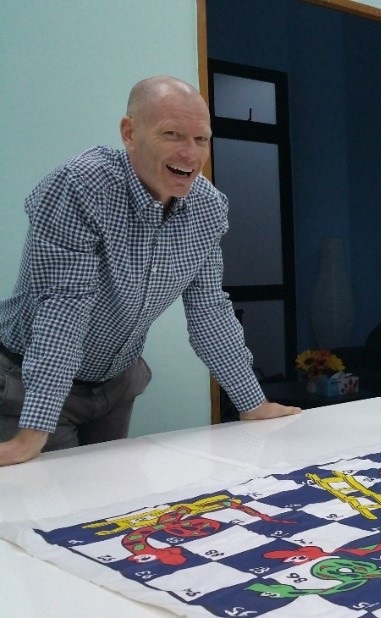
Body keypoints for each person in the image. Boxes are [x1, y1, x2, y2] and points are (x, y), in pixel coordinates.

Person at [0, 76, 300, 467]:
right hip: (28, 382)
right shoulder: (80, 186)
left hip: (117, 385)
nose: (189, 154)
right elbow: (64, 310)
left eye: (201, 139)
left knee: (106, 507)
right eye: (172, 134)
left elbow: (210, 309)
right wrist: (32, 432)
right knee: (44, 512)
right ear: (129, 133)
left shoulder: (208, 208)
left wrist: (252, 402)